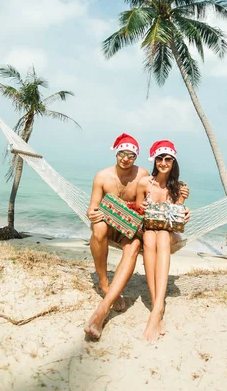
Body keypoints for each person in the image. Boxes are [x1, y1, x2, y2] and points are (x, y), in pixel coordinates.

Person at [84, 133, 189, 340]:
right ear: (116, 152)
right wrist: (92, 212)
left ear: (137, 157)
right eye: (122, 153)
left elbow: (173, 211)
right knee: (99, 228)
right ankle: (105, 284)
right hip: (116, 224)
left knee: (139, 243)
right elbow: (93, 207)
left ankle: (104, 310)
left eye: (131, 155)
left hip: (135, 230)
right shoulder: (103, 177)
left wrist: (184, 211)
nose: (126, 158)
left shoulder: (142, 176)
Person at [135, 139, 189, 342]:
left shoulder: (180, 187)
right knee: (150, 235)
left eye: (168, 159)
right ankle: (158, 306)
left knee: (163, 235)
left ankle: (156, 309)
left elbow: (176, 218)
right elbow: (138, 212)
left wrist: (184, 209)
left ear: (173, 161)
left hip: (168, 233)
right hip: (148, 231)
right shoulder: (144, 183)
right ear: (155, 160)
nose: (164, 162)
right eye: (160, 158)